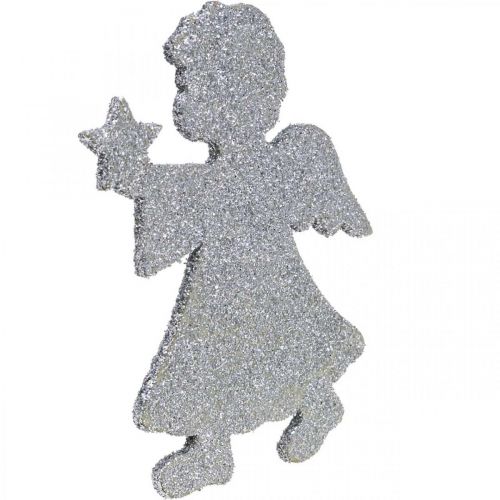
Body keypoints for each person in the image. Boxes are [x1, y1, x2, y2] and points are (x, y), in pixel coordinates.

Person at [79, 2, 371, 497]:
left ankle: (314, 405)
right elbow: (172, 195)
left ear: (234, 89)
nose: (180, 101)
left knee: (265, 348)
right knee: (217, 359)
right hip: (223, 291)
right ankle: (214, 450)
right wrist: (133, 174)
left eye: (187, 85)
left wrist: (138, 177)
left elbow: (178, 195)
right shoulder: (236, 173)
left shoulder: (266, 166)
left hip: (266, 287)